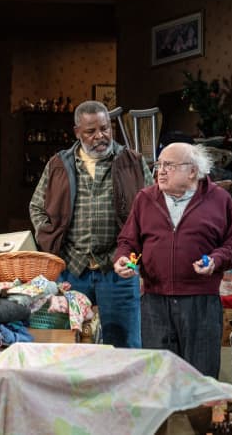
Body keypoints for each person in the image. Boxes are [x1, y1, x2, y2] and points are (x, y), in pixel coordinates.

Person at [113, 142, 232, 377]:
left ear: (192, 171)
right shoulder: (145, 198)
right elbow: (128, 241)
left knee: (200, 377)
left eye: (169, 166)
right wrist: (124, 259)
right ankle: (164, 416)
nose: (160, 171)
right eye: (159, 165)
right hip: (155, 301)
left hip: (201, 302)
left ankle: (199, 416)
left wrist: (215, 260)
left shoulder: (219, 199)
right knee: (158, 378)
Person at [29, 100, 153, 348]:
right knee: (68, 345)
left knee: (125, 347)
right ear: (77, 132)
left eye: (105, 128)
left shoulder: (133, 162)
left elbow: (152, 211)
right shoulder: (58, 165)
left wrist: (138, 258)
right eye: (91, 131)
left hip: (118, 269)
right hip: (72, 269)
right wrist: (50, 240)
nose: (100, 136)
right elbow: (36, 207)